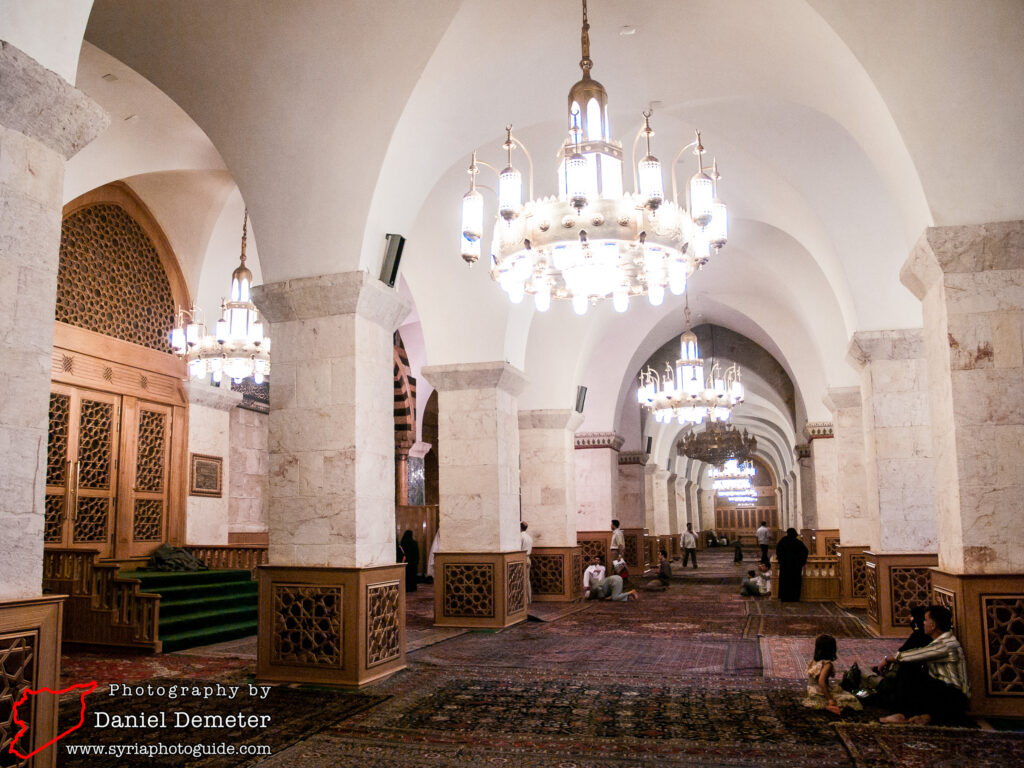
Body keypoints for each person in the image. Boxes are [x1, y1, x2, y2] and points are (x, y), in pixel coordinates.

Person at [878, 605, 969, 725]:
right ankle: (921, 715)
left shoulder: (946, 644)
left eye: (926, 620)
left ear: (933, 625)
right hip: (942, 690)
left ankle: (904, 714)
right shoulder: (939, 640)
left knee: (909, 670)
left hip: (953, 697)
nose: (923, 623)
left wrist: (887, 659)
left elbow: (912, 656)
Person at [801, 634, 863, 714]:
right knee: (851, 700)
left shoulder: (815, 660)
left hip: (811, 688)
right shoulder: (827, 664)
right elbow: (821, 681)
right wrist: (830, 699)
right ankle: (830, 706)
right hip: (818, 691)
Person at [775, 527, 809, 602]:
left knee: (785, 581)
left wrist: (781, 561)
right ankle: (794, 597)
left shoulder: (783, 541)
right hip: (795, 566)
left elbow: (778, 551)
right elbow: (805, 551)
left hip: (785, 566)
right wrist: (801, 562)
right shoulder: (798, 542)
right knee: (795, 582)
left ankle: (784, 597)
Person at [520, 521, 533, 604]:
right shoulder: (529, 537)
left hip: (522, 558)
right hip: (528, 558)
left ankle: (524, 600)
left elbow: (519, 548)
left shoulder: (520, 537)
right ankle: (529, 599)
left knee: (522, 580)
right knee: (527, 580)